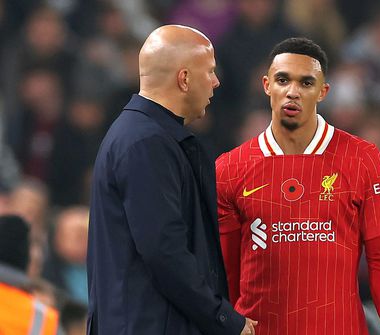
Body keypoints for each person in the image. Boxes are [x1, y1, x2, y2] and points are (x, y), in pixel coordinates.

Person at [216, 37, 380, 334]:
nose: (292, 92)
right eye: (283, 80)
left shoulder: (363, 158)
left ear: (323, 92)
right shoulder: (230, 168)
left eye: (306, 83)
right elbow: (227, 271)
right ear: (267, 85)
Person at [87, 25, 257, 335]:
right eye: (210, 71)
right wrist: (223, 318)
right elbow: (164, 251)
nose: (217, 82)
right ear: (185, 78)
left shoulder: (142, 135)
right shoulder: (146, 143)